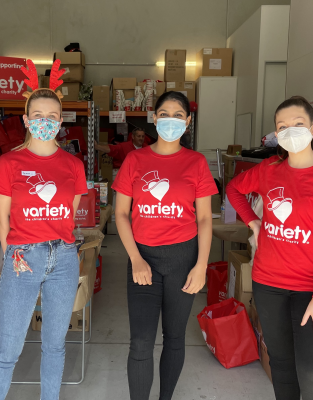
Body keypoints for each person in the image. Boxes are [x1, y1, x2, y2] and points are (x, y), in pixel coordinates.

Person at [226, 96, 313, 400]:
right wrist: (253, 222)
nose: (289, 130)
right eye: (282, 126)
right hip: (268, 285)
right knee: (282, 366)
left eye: (297, 123)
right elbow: (233, 189)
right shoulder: (269, 169)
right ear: (276, 134)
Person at [0, 60, 88, 400]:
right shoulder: (9, 163)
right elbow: (2, 217)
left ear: (61, 120)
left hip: (64, 258)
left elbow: (68, 215)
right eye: (38, 115)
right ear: (27, 120)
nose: (45, 121)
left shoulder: (73, 165)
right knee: (7, 349)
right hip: (22, 258)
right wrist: (8, 256)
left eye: (52, 116)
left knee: (55, 346)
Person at [112, 91, 217, 400]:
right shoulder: (135, 159)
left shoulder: (196, 162)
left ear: (188, 121)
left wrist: (201, 266)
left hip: (183, 258)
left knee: (174, 337)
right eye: (164, 114)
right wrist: (135, 259)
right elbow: (121, 214)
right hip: (143, 258)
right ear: (154, 119)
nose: (171, 120)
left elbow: (205, 219)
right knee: (141, 342)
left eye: (178, 115)